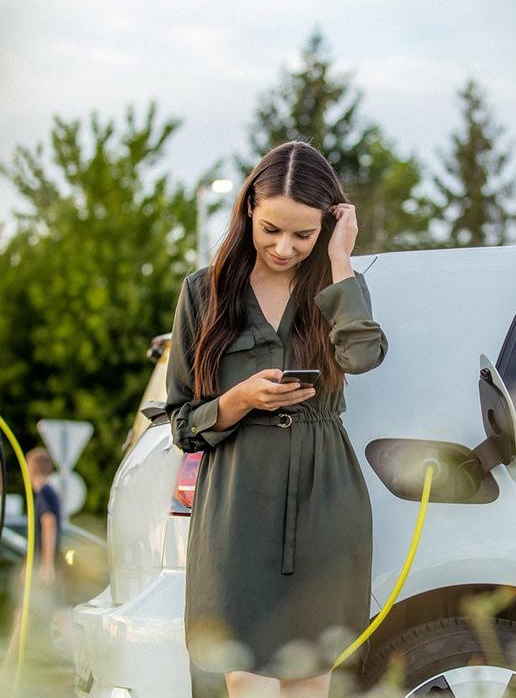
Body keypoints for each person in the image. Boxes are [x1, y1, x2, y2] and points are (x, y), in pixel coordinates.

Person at [164, 140, 388, 698]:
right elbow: (180, 422)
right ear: (247, 213)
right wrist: (238, 400)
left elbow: (362, 357)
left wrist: (340, 261)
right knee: (245, 677)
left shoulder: (336, 289)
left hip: (324, 501)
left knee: (311, 677)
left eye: (303, 235)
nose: (285, 247)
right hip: (238, 503)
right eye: (271, 230)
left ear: (328, 227)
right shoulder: (204, 292)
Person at [0, 446, 65, 669]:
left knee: (27, 613)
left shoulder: (44, 492)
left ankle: (8, 666)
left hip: (41, 565)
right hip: (38, 563)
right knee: (30, 613)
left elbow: (48, 525)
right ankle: (17, 663)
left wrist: (45, 566)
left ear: (31, 467)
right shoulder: (49, 492)